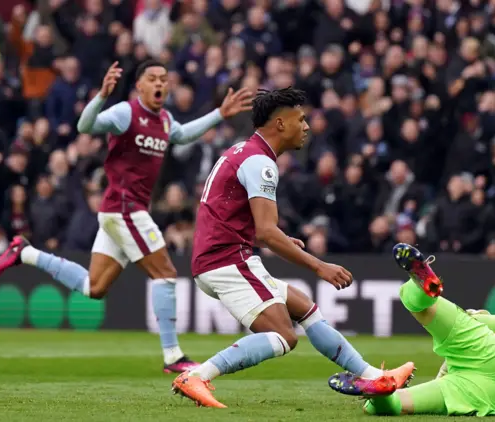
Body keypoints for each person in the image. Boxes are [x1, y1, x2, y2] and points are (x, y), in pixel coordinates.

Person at [0, 60, 252, 374]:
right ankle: (173, 356)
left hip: (119, 213)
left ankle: (25, 252)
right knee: (166, 274)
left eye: (164, 79)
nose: (160, 84)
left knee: (94, 287)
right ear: (139, 85)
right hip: (125, 208)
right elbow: (85, 127)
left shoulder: (165, 120)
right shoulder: (126, 113)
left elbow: (182, 135)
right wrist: (101, 95)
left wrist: (219, 115)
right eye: (152, 78)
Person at [171, 87, 415, 408]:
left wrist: (280, 238)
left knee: (305, 308)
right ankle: (197, 375)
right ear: (281, 124)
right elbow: (267, 233)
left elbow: (246, 222)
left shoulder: (241, 151)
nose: (307, 126)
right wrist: (319, 266)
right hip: (228, 261)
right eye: (300, 119)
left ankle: (371, 375)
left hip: (221, 256)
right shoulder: (261, 162)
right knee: (285, 337)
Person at [328, 243, 495, 417]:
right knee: (399, 404)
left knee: (420, 305)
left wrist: (472, 318)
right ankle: (379, 394)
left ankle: (423, 289)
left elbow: (481, 321)